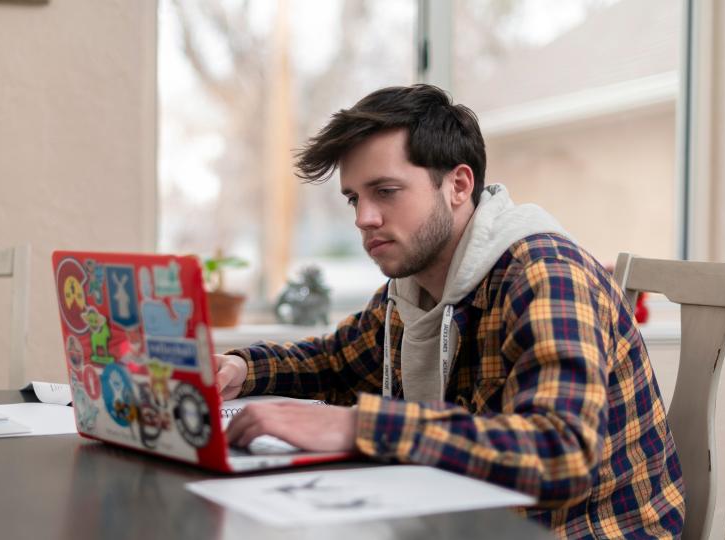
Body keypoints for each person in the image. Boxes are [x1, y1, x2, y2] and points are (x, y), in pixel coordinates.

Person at [216, 84, 684, 538]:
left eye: (386, 191)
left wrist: (360, 426)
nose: (364, 217)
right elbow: (337, 362)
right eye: (355, 198)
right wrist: (241, 368)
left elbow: (559, 453)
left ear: (459, 185)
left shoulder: (546, 275)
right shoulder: (412, 288)